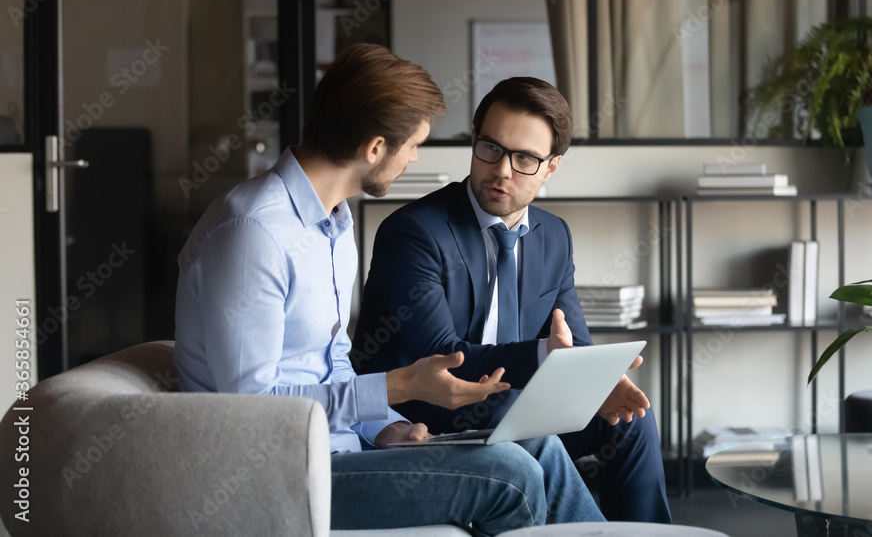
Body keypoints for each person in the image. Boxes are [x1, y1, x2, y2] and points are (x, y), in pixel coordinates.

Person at [173, 44, 604, 535]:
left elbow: (332, 362)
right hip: (279, 475)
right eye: (413, 144)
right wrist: (400, 386)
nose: (415, 157)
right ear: (375, 148)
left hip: (340, 450)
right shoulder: (254, 233)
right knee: (512, 474)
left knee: (537, 444)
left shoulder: (331, 225)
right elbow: (252, 409)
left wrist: (384, 427)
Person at [353, 76, 672, 524]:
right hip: (425, 409)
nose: (502, 169)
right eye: (491, 148)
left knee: (630, 419)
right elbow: (443, 360)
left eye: (524, 158)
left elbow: (572, 339)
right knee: (510, 409)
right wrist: (546, 356)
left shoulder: (554, 236)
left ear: (551, 167)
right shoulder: (415, 232)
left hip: (511, 401)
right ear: (474, 142)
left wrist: (596, 381)